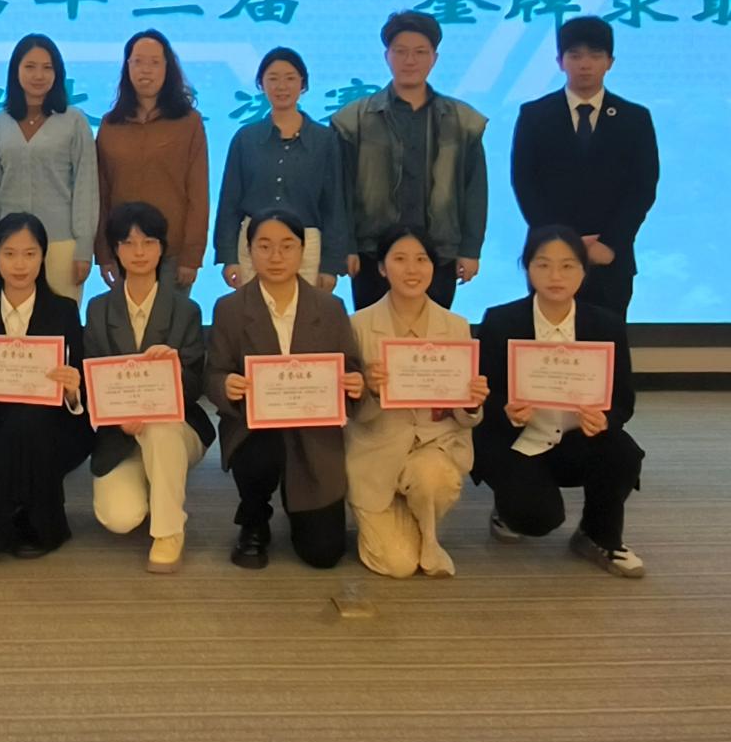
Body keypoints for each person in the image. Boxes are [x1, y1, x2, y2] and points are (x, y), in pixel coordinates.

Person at [473, 224, 646, 578]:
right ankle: (507, 508)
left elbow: (622, 400)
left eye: (568, 266)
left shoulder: (606, 325)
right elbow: (481, 392)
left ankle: (598, 535)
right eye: (543, 264)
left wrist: (605, 419)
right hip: (518, 440)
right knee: (537, 518)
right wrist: (505, 410)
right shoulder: (501, 321)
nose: (555, 276)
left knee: (624, 455)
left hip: (577, 438)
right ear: (527, 267)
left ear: (584, 270)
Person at [206, 211, 364, 570]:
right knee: (259, 453)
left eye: (287, 246)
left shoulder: (330, 307)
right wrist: (226, 385)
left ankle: (299, 507)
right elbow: (214, 372)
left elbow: (351, 368)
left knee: (324, 554)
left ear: (303, 251)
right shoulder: (230, 309)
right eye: (264, 246)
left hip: (314, 431)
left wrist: (355, 384)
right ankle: (254, 518)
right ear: (249, 251)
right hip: (255, 428)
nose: (276, 256)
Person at [346, 229, 487, 578]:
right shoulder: (357, 325)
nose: (412, 269)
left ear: (433, 267)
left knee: (433, 475)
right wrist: (369, 389)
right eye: (399, 259)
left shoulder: (456, 326)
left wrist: (471, 404)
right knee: (398, 565)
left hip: (433, 447)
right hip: (376, 450)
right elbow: (350, 413)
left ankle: (426, 534)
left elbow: (464, 417)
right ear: (382, 268)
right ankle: (413, 525)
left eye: (421, 260)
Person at [83, 202, 214, 573]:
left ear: (162, 248)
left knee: (160, 428)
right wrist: (118, 420)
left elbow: (195, 387)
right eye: (128, 243)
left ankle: (169, 533)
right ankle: (157, 483)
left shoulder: (186, 310)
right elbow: (93, 380)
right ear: (116, 250)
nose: (138, 252)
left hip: (177, 427)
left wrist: (174, 369)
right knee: (120, 517)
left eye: (148, 242)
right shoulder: (97, 309)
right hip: (121, 433)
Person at [0, 213, 92, 559]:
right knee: (13, 426)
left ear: (43, 257)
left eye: (30, 254)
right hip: (2, 427)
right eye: (9, 253)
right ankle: (22, 522)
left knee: (28, 423)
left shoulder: (64, 311)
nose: (20, 264)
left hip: (56, 426)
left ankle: (41, 527)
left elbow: (78, 396)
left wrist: (73, 390)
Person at [332, 11, 488, 311]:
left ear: (434, 58)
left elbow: (475, 190)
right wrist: (346, 246)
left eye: (420, 52)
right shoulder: (354, 120)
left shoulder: (462, 120)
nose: (410, 61)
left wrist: (470, 249)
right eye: (400, 52)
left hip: (439, 254)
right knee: (373, 335)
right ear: (387, 56)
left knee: (432, 336)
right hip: (371, 254)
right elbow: (341, 191)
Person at [510, 16, 660, 318]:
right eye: (575, 55)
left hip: (609, 257)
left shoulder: (634, 118)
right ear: (560, 61)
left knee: (607, 338)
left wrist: (610, 243)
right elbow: (524, 183)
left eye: (595, 55)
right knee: (548, 340)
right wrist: (561, 244)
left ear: (610, 62)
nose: (585, 64)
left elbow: (643, 188)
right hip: (550, 258)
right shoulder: (535, 115)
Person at [213, 47, 350, 293]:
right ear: (261, 84)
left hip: (306, 246)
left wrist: (331, 264)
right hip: (254, 244)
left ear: (303, 84)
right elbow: (229, 202)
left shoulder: (325, 140)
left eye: (290, 78)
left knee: (304, 315)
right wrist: (228, 256)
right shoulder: (246, 138)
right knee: (253, 312)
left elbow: (334, 205)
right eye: (273, 79)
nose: (281, 86)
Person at [0, 34, 98, 302]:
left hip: (61, 243)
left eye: (47, 68)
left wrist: (84, 247)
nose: (38, 75)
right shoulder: (0, 122)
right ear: (16, 71)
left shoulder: (74, 120)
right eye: (30, 67)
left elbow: (86, 186)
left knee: (60, 321)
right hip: (11, 246)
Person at [94, 30, 209, 293]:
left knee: (170, 320)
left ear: (168, 68)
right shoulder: (110, 125)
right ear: (127, 67)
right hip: (123, 250)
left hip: (173, 255)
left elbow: (198, 193)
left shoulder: (188, 123)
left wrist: (192, 256)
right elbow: (100, 194)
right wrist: (103, 253)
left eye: (154, 62)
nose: (145, 70)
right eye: (138, 62)